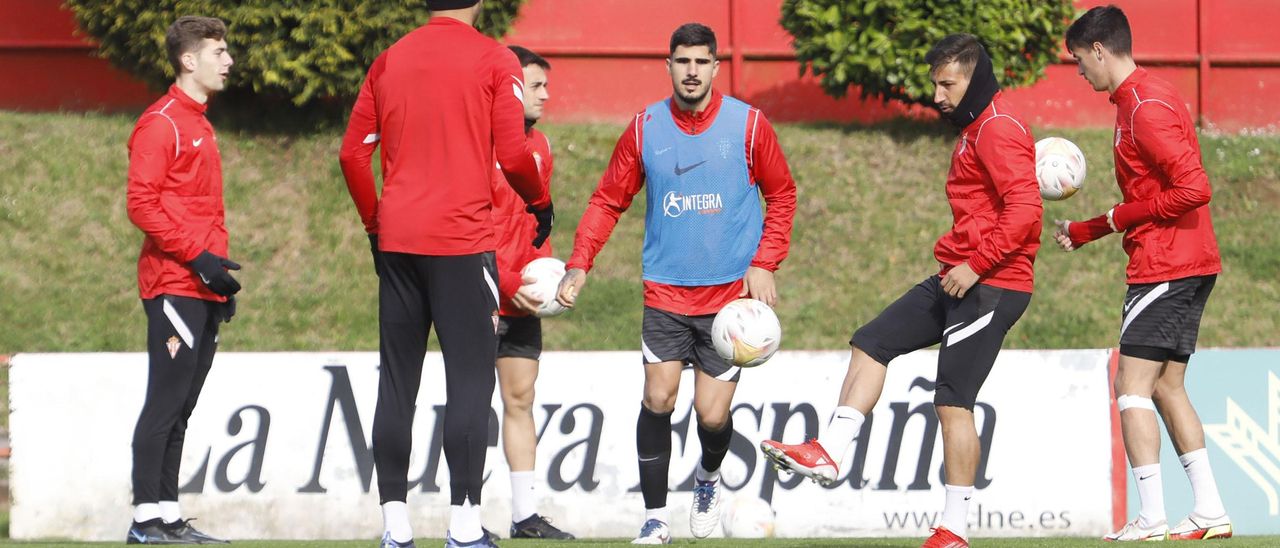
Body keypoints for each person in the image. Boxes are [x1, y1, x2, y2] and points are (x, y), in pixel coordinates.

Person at [759, 34, 1041, 548]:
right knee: (873, 340)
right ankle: (831, 449)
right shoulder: (978, 129)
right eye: (935, 83)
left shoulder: (998, 129)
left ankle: (954, 530)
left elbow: (1026, 213)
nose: (937, 94)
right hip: (960, 274)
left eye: (947, 84)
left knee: (953, 402)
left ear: (975, 79)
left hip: (992, 283)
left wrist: (976, 266)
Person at [554, 22, 797, 545]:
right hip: (665, 292)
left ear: (714, 66)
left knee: (712, 415)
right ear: (668, 66)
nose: (691, 71)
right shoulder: (644, 128)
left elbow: (782, 196)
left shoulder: (750, 126)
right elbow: (606, 200)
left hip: (730, 300)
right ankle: (655, 517)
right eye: (682, 61)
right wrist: (580, 262)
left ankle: (707, 482)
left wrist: (766, 261)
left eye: (701, 62)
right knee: (658, 398)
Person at [337, 0, 554, 546]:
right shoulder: (493, 58)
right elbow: (512, 151)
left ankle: (394, 528)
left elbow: (351, 156)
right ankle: (462, 525)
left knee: (396, 382)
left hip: (399, 241)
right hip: (461, 243)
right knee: (469, 383)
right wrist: (539, 198)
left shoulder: (388, 59)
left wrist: (373, 226)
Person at [1058, 6, 1230, 542]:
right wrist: (1093, 227)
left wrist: (1113, 219)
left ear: (1100, 51)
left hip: (1166, 263)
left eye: (1079, 60)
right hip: (1189, 258)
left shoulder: (1144, 108)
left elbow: (1193, 188)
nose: (1079, 71)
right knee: (1168, 387)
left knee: (1130, 387)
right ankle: (1210, 510)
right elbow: (1151, 194)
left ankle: (1150, 515)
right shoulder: (1149, 94)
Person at [124, 15, 237, 546]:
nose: (228, 60)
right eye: (218, 51)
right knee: (165, 403)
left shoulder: (200, 121)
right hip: (172, 282)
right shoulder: (162, 122)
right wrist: (199, 258)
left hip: (199, 284)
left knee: (183, 406)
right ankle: (145, 520)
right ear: (188, 60)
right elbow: (141, 204)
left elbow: (200, 210)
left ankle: (166, 515)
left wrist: (217, 277)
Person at [489, 45, 575, 541]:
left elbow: (537, 226)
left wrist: (552, 277)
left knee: (521, 398)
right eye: (535, 85)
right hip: (480, 294)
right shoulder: (475, 144)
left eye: (545, 85)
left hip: (523, 297)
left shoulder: (540, 146)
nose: (545, 94)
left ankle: (524, 516)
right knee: (470, 403)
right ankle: (464, 513)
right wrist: (502, 282)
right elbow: (468, 227)